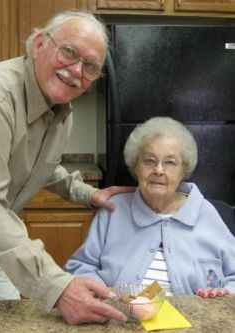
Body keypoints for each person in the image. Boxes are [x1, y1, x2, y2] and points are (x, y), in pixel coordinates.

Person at [0, 11, 132, 324]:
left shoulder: (59, 111)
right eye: (69, 52)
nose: (76, 70)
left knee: (15, 325)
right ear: (40, 44)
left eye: (90, 66)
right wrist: (58, 286)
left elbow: (38, 164)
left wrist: (84, 193)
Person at [65, 117, 235, 298]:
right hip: (120, 317)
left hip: (193, 321)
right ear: (135, 165)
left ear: (183, 169)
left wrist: (224, 292)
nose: (159, 170)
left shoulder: (206, 214)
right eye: (150, 161)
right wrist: (105, 296)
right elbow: (79, 267)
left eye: (170, 162)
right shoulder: (113, 210)